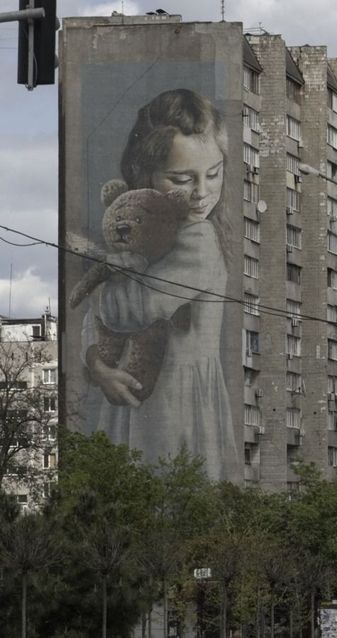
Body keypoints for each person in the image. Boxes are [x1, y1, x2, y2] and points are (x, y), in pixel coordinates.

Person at [82, 88, 237, 480]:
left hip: (177, 402)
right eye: (182, 179)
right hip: (135, 395)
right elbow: (93, 324)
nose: (202, 192)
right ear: (143, 174)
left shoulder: (199, 240)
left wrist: (105, 276)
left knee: (168, 497)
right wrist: (98, 366)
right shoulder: (147, 234)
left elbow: (132, 310)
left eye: (214, 174)